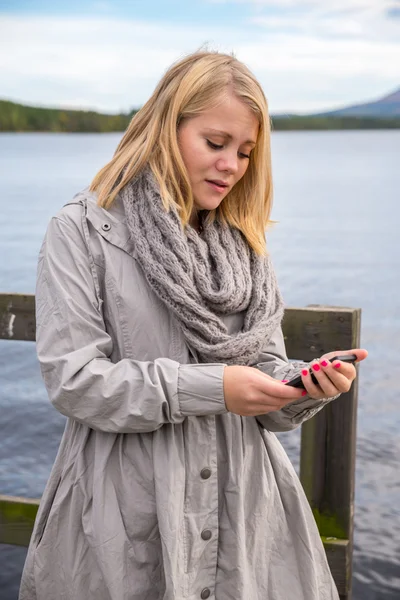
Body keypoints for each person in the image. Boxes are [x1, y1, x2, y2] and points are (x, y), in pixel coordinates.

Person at [19, 51, 367, 600]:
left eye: (247, 152)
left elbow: (266, 381)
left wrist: (300, 388)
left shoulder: (246, 246)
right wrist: (215, 388)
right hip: (125, 510)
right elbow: (75, 381)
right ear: (165, 128)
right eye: (215, 143)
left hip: (245, 511)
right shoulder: (80, 231)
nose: (232, 164)